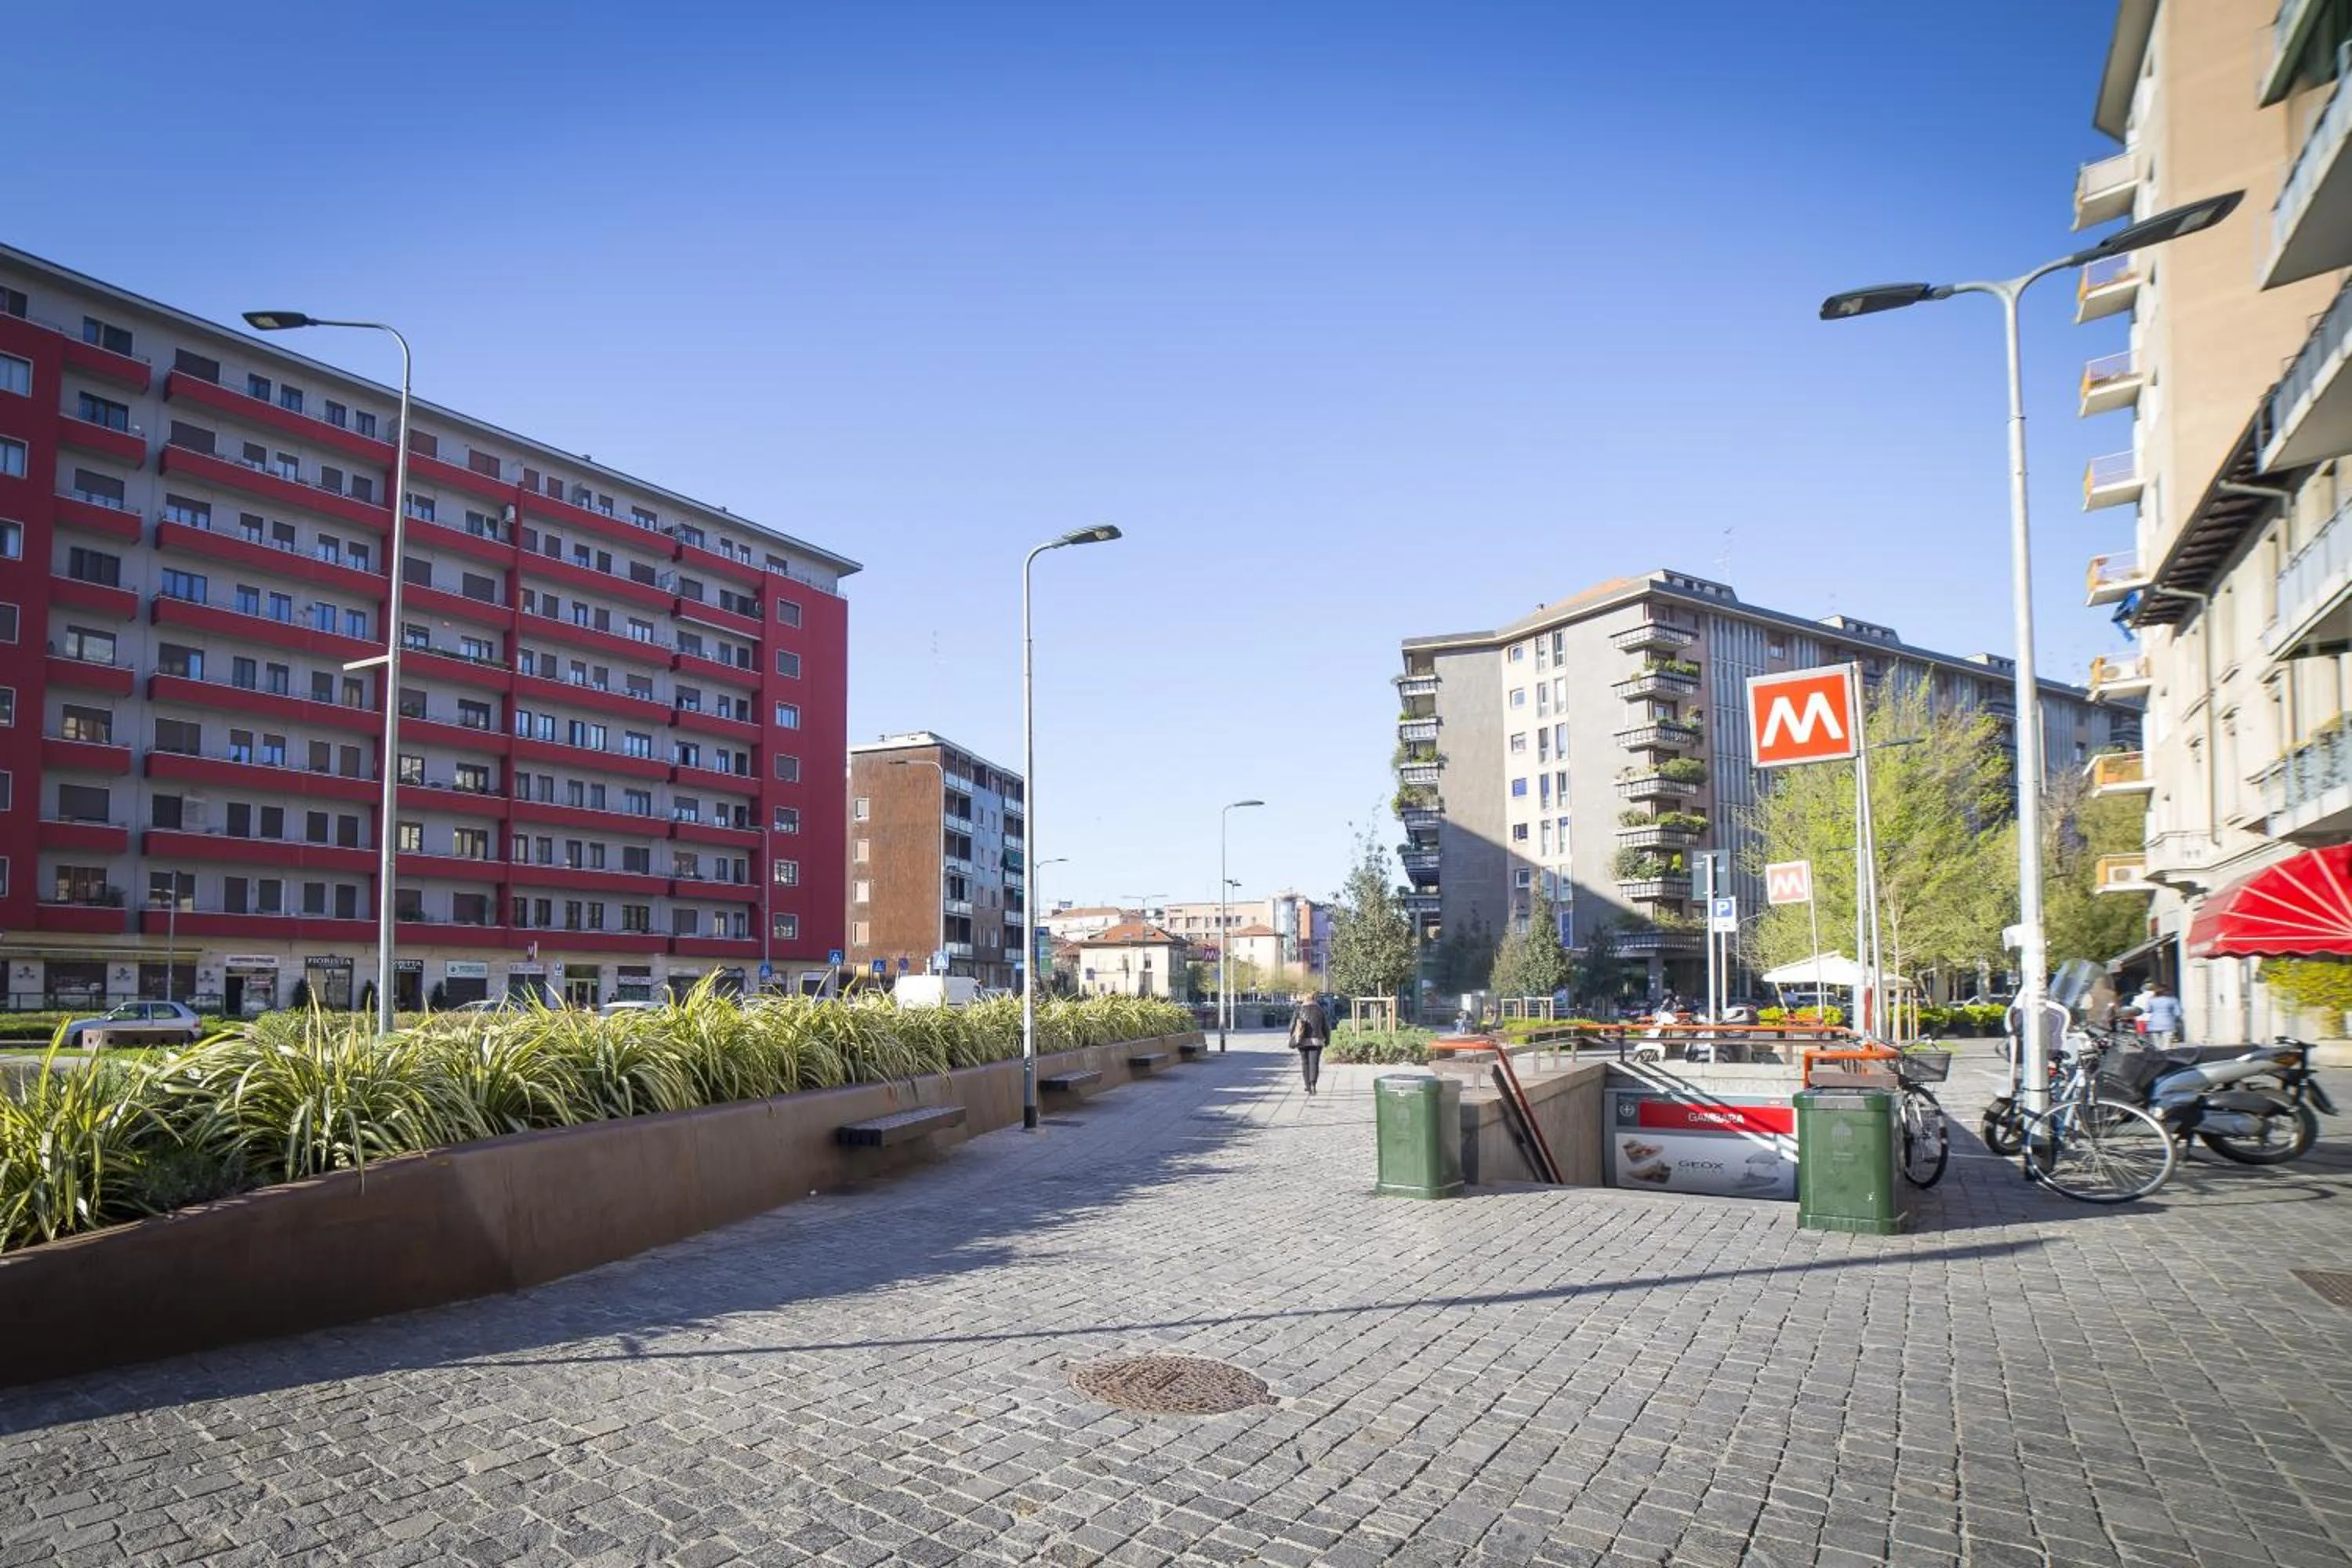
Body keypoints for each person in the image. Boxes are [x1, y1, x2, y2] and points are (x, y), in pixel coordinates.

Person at [1289, 992, 1330, 1097]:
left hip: (1302, 1040)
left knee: (1305, 1062)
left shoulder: (1299, 1010)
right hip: (1317, 1040)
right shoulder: (1320, 1010)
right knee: (1314, 1063)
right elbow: (1326, 1027)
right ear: (1314, 999)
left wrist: (1293, 1036)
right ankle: (1313, 1085)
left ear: (1304, 999)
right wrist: (1327, 1040)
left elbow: (1292, 1025)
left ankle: (1307, 1085)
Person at [2140, 981, 2184, 1048]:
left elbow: (2147, 1010)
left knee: (2157, 1046)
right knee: (2166, 1046)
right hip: (2168, 1024)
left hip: (2154, 1024)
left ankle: (2159, 1054)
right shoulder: (2173, 1000)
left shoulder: (2151, 1000)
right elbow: (2178, 1013)